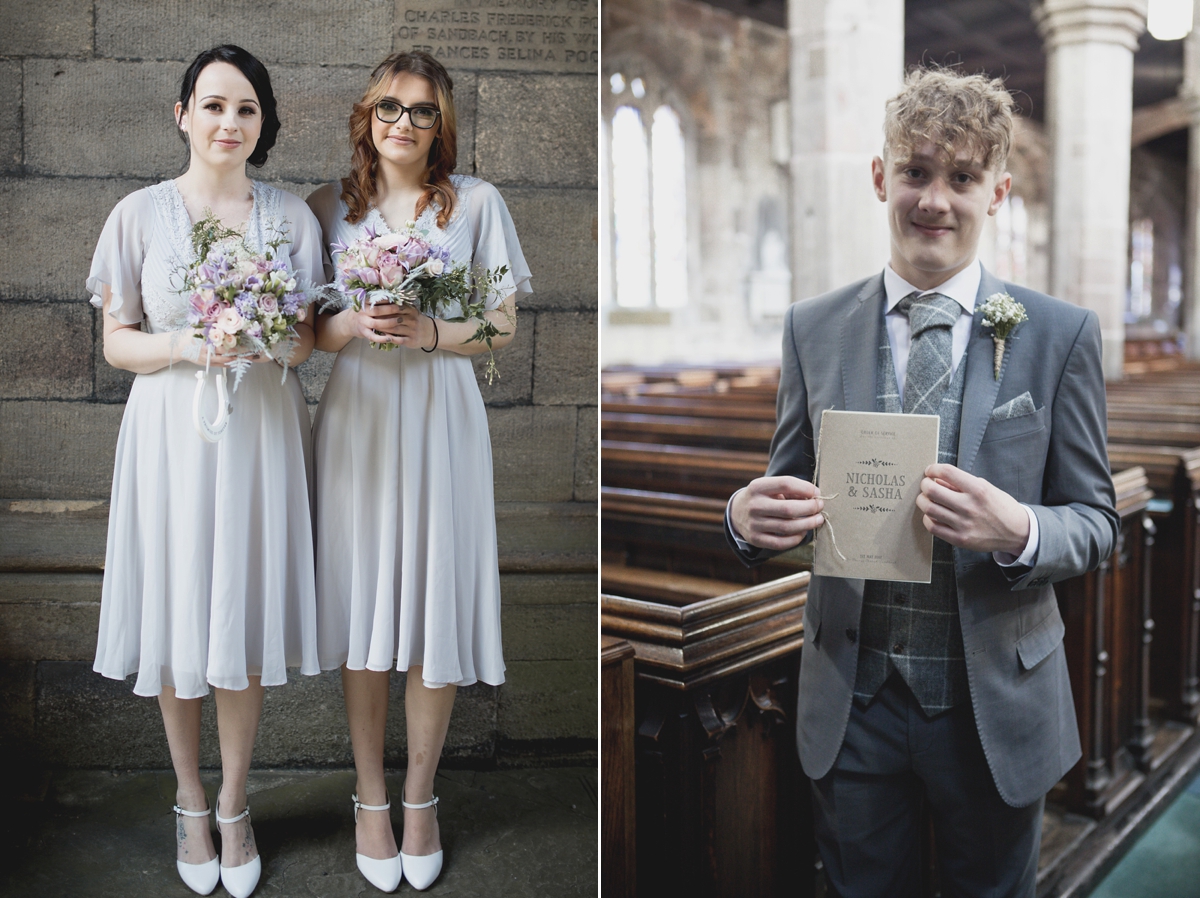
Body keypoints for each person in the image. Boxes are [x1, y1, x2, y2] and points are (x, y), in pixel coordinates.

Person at [726, 67, 1118, 898]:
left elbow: (1097, 521)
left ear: (997, 191)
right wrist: (743, 515)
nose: (935, 199)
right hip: (855, 699)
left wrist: (1021, 529)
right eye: (916, 172)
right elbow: (784, 481)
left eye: (963, 177)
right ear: (881, 178)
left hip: (992, 705)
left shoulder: (1059, 336)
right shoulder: (812, 327)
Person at [88, 45, 322, 898]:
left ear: (263, 124)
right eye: (215, 105)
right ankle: (188, 798)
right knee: (181, 613)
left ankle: (235, 802)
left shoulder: (292, 219)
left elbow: (303, 342)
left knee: (240, 612)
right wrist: (192, 342)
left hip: (259, 427)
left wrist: (263, 337)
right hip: (170, 433)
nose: (231, 123)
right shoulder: (138, 215)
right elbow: (117, 341)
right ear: (182, 113)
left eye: (247, 110)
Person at [306, 51, 531, 893]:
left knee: (432, 602)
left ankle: (420, 796)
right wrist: (357, 325)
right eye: (390, 107)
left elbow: (502, 323)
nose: (404, 123)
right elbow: (306, 333)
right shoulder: (328, 206)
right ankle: (370, 797)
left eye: (423, 112)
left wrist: (431, 333)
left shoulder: (474, 204)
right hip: (360, 415)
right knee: (367, 604)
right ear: (367, 113)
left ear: (443, 125)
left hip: (439, 412)